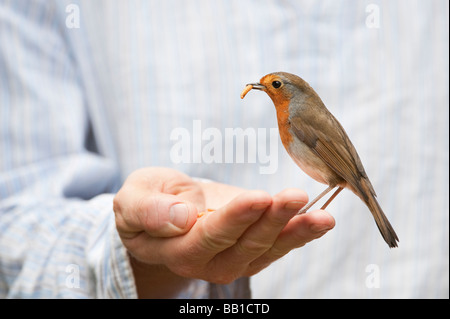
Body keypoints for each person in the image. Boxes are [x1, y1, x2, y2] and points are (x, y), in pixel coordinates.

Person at [0, 0, 448, 299]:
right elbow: (15, 223)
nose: (264, 88)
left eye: (273, 85)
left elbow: (337, 161)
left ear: (288, 93)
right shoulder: (294, 114)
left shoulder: (297, 116)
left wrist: (354, 184)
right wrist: (141, 256)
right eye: (265, 85)